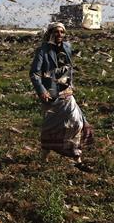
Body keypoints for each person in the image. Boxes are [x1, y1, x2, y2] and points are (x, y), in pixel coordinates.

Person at [29, 22, 93, 166]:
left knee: (77, 122)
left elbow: (68, 67)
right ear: (50, 33)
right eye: (56, 32)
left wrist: (70, 82)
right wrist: (42, 90)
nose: (59, 35)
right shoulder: (42, 51)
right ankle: (44, 158)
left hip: (66, 91)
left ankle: (77, 158)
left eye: (62, 32)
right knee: (50, 127)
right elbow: (34, 73)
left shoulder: (67, 47)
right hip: (51, 94)